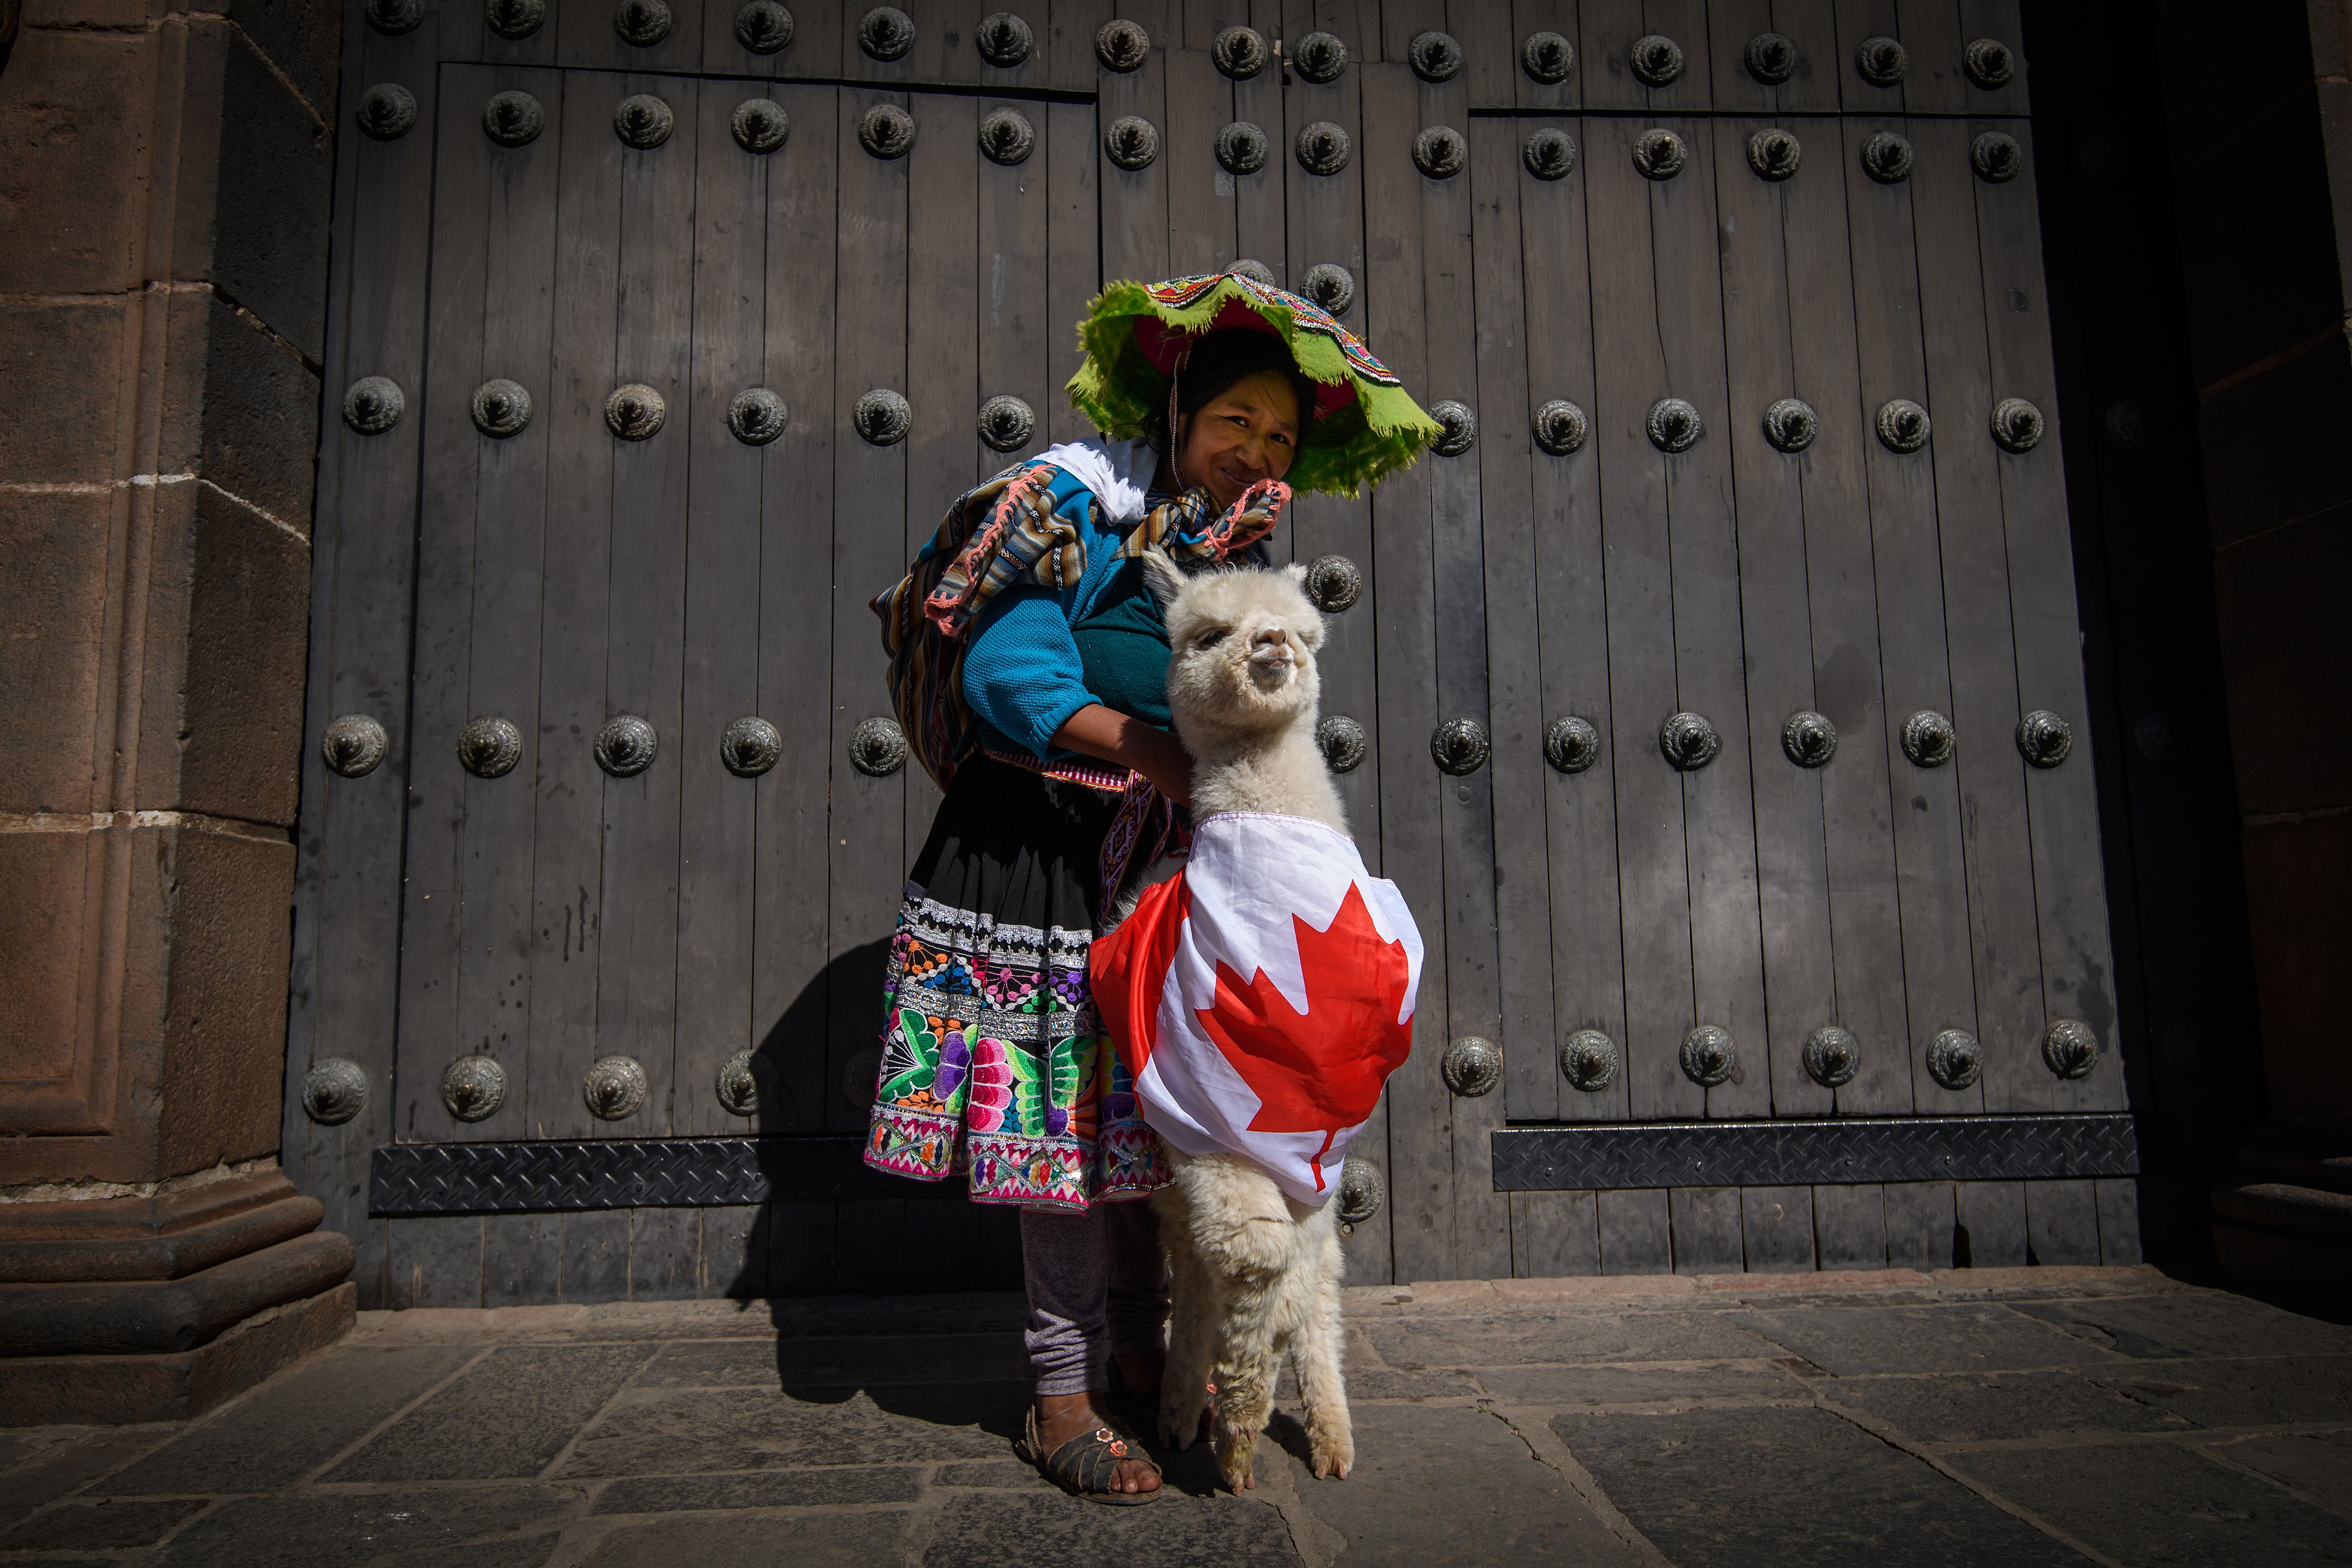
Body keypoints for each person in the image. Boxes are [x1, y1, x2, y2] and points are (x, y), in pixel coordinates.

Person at [863, 268, 1437, 1502]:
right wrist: (1154, 755)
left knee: (1153, 1115)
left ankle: (1139, 1346)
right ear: (1179, 410)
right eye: (1237, 421)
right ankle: (1059, 1396)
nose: (1256, 450)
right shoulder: (1076, 508)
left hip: (1157, 874)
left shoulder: (1219, 556)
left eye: (1279, 436)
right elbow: (1006, 668)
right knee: (1062, 1132)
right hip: (1038, 857)